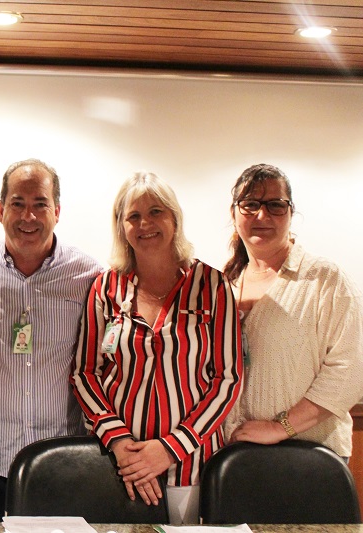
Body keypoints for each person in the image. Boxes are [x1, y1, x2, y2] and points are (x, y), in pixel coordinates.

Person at [71, 171, 242, 524]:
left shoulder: (212, 286)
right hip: (119, 464)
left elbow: (228, 379)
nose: (144, 224)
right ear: (121, 226)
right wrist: (120, 443)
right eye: (133, 216)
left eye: (156, 212)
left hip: (190, 467)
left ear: (174, 219)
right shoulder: (106, 287)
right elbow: (85, 373)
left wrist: (169, 448)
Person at [0, 159, 102, 520]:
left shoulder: (89, 274)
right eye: (18, 203)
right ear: (0, 210)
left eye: (40, 204)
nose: (28, 216)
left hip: (64, 460)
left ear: (57, 211)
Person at [222, 164, 363, 458]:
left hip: (308, 456)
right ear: (234, 214)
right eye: (250, 204)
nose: (262, 215)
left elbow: (351, 370)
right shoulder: (225, 284)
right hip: (235, 454)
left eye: (275, 205)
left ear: (290, 212)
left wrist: (281, 427)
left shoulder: (324, 279)